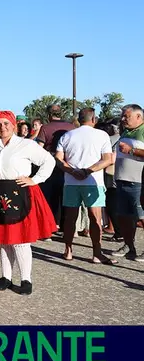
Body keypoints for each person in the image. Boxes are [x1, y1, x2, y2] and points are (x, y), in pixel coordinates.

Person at [0, 111, 57, 295]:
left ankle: (25, 279)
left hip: (20, 192)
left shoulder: (26, 144)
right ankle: (5, 277)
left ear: (13, 125)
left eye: (6, 124)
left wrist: (35, 179)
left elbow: (48, 161)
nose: (2, 127)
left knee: (20, 240)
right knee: (3, 239)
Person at [54, 108, 114, 264]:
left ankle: (68, 250)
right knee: (95, 218)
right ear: (93, 119)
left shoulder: (67, 136)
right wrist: (88, 171)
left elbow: (58, 159)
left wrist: (72, 171)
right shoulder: (102, 135)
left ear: (79, 119)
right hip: (93, 181)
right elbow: (107, 159)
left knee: (70, 218)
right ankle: (97, 252)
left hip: (71, 182)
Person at [110, 104, 144, 260]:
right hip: (122, 181)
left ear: (139, 117)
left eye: (126, 116)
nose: (123, 119)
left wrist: (131, 150)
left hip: (138, 182)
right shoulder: (126, 131)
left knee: (141, 217)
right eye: (122, 116)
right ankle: (130, 246)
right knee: (123, 217)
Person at [35, 104, 76, 229]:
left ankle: (50, 225)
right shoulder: (72, 127)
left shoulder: (45, 128)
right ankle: (66, 225)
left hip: (51, 166)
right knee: (65, 196)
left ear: (48, 115)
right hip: (68, 166)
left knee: (49, 196)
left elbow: (39, 149)